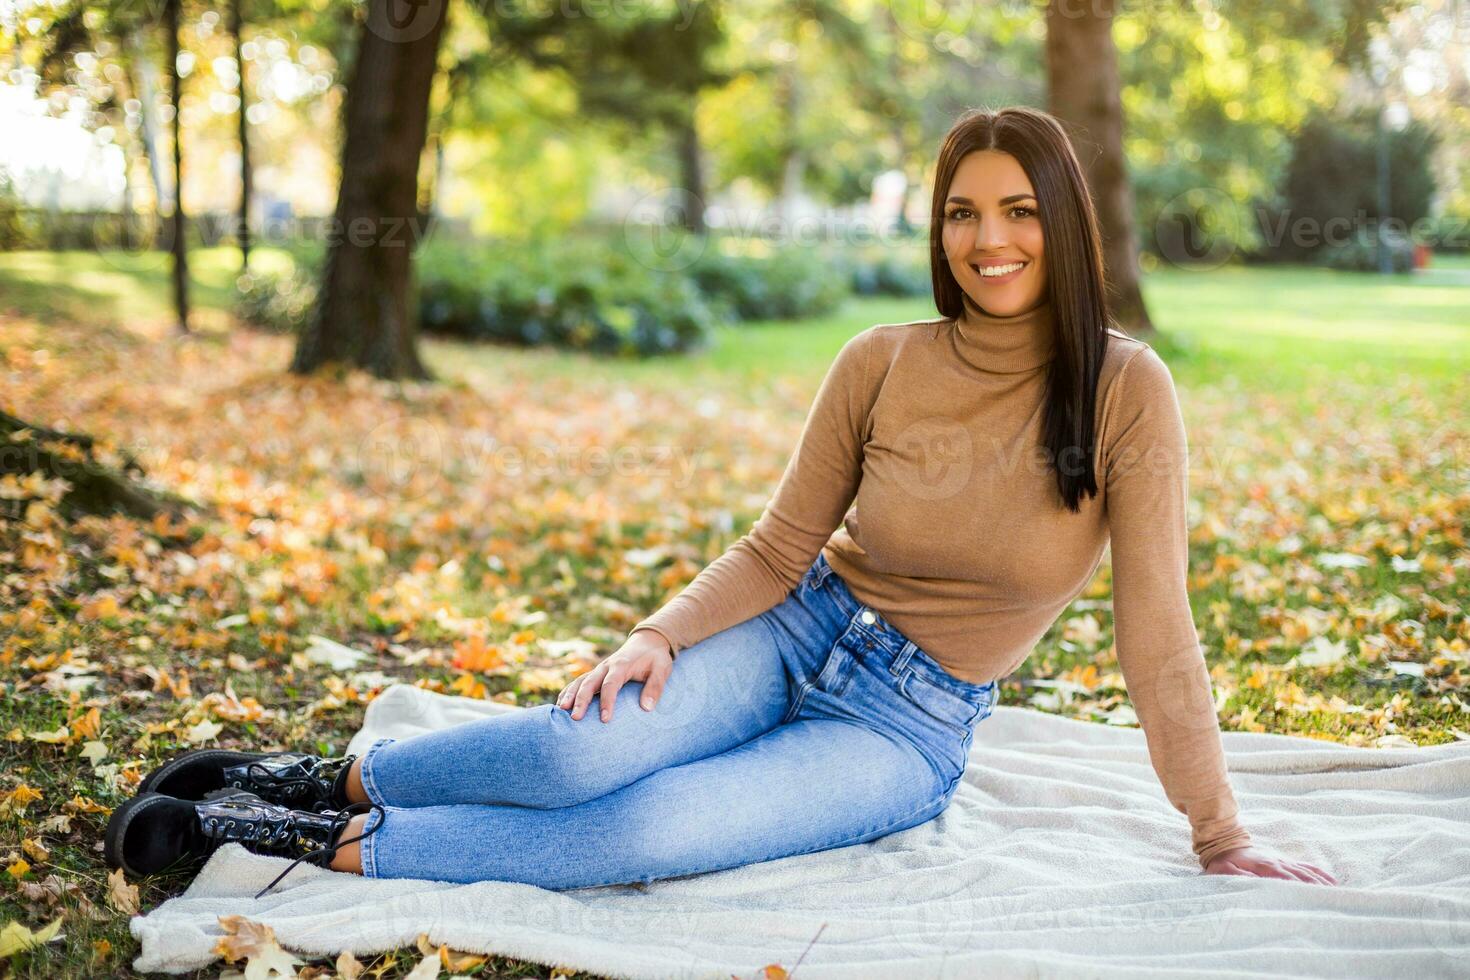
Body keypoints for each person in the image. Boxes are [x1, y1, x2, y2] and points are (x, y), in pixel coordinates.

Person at [105, 106, 1338, 897]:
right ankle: (325, 772)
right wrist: (655, 637)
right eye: (963, 211)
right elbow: (780, 542)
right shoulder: (881, 359)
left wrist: (1219, 827)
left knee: (638, 830)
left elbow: (1158, 628)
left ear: (1062, 224)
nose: (989, 238)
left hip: (904, 727)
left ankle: (275, 835)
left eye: (1019, 210)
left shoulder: (1129, 389)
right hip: (792, 625)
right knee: (570, 748)